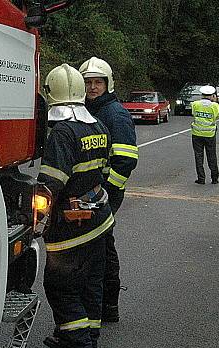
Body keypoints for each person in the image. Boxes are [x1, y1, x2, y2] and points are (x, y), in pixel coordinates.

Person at [38, 63, 114, 348]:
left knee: (61, 287)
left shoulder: (62, 133)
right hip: (100, 221)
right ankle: (88, 341)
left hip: (71, 230)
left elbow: (48, 188)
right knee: (91, 285)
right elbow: (105, 174)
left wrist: (35, 223)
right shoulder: (98, 126)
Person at [78, 57, 138, 322]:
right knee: (95, 245)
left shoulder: (116, 114)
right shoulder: (87, 110)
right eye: (88, 83)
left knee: (102, 246)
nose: (92, 88)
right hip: (91, 192)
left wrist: (106, 191)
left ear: (108, 84)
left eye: (97, 83)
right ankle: (100, 305)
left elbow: (126, 160)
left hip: (106, 193)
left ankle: (108, 305)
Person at [190, 85, 219, 185]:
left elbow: (194, 114)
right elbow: (216, 116)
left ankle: (201, 178)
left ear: (201, 95)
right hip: (210, 134)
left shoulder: (195, 104)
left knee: (198, 156)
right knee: (211, 156)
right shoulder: (214, 106)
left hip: (197, 134)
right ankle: (214, 178)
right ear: (212, 96)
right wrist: (215, 102)